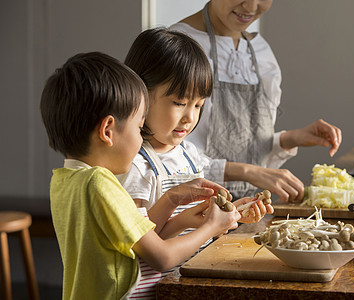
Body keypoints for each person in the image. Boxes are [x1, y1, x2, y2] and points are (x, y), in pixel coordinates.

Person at [40, 51, 241, 300]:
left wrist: (171, 202)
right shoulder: (100, 184)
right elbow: (161, 257)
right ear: (107, 130)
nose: (140, 139)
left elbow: (136, 243)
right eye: (138, 128)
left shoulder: (65, 180)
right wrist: (211, 227)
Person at [119, 28, 274, 298]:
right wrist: (210, 226)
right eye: (179, 103)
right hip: (152, 293)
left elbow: (186, 228)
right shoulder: (136, 166)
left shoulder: (189, 154)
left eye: (199, 105)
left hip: (189, 284)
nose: (190, 117)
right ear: (140, 96)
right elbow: (142, 242)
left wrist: (230, 216)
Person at [170, 0, 343, 202]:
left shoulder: (260, 52)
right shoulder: (178, 46)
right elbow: (167, 158)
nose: (251, 6)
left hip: (248, 210)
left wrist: (289, 139)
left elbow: (244, 148)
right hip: (192, 213)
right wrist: (245, 171)